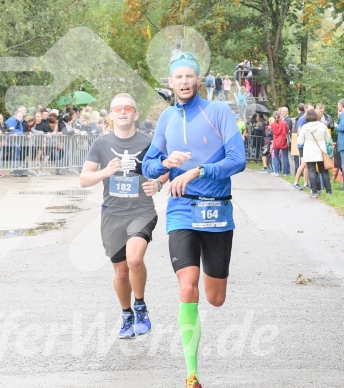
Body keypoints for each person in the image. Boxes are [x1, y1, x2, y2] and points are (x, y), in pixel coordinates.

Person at [142, 52, 246, 388]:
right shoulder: (167, 118)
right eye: (178, 77)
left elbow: (238, 159)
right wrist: (164, 164)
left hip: (217, 210)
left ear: (197, 79)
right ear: (170, 82)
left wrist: (200, 170)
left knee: (215, 298)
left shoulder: (217, 111)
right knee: (187, 286)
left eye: (190, 76)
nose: (184, 82)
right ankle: (192, 374)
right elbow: (148, 166)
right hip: (181, 210)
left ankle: (210, 288)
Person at [80, 93, 167, 340]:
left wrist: (158, 184)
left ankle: (140, 306)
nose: (122, 112)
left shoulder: (148, 142)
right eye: (117, 108)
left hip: (142, 211)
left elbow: (166, 168)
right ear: (110, 116)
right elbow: (84, 179)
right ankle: (126, 314)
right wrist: (105, 171)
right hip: (112, 214)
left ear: (135, 114)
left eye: (127, 108)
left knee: (135, 260)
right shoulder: (101, 144)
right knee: (120, 272)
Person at [297, 109, 333, 197]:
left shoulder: (305, 127)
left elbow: (300, 141)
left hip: (309, 151)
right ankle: (329, 191)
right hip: (321, 151)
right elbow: (327, 139)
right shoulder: (322, 125)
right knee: (324, 171)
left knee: (312, 170)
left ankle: (314, 191)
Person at [270, 111, 290, 176]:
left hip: (276, 142)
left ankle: (276, 171)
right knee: (285, 157)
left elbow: (273, 131)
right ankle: (285, 172)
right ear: (280, 115)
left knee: (276, 156)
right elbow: (287, 130)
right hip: (283, 141)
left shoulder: (272, 124)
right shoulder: (284, 123)